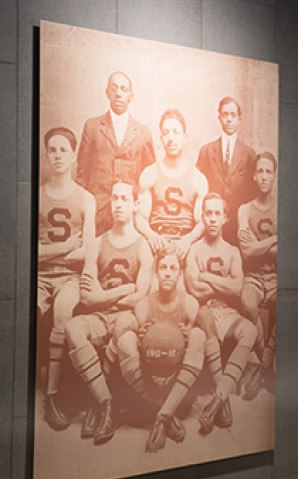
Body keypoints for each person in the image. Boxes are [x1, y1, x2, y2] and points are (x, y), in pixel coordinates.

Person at [64, 180, 153, 445]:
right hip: (100, 316)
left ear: (136, 204)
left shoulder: (143, 246)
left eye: (125, 199)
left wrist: (105, 295)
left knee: (125, 332)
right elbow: (88, 298)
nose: (119, 204)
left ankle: (110, 406)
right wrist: (119, 291)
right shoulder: (96, 243)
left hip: (126, 317)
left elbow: (140, 296)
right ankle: (105, 403)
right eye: (115, 198)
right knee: (73, 328)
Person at [37, 127, 97, 431]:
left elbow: (86, 252)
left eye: (64, 149)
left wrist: (47, 252)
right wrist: (62, 248)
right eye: (53, 150)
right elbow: (28, 256)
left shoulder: (86, 198)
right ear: (46, 155)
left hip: (69, 279)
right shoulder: (37, 195)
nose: (58, 155)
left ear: (73, 155)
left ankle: (52, 397)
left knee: (62, 312)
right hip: (38, 278)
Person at [116, 251, 205, 452]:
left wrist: (186, 334)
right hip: (148, 385)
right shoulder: (143, 305)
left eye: (173, 268)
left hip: (179, 387)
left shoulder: (190, 304)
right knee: (125, 340)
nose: (167, 273)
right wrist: (143, 336)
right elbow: (140, 350)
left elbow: (192, 347)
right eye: (163, 268)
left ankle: (164, 415)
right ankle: (163, 412)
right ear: (156, 273)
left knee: (199, 335)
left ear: (180, 274)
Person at [185, 193, 259, 435]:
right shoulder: (194, 249)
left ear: (226, 217)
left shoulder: (233, 251)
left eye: (218, 213)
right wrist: (222, 282)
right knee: (205, 321)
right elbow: (195, 289)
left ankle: (217, 400)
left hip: (226, 311)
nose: (213, 219)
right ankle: (223, 401)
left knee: (249, 330)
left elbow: (237, 288)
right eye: (208, 213)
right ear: (202, 216)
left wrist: (207, 277)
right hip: (203, 311)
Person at [77, 71, 155, 236]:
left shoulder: (143, 132)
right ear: (107, 93)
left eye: (123, 89)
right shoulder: (92, 127)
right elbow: (82, 175)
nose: (118, 94)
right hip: (98, 211)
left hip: (131, 214)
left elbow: (149, 178)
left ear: (131, 95)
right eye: (114, 88)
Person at [136, 109, 208, 260]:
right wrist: (151, 235)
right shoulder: (149, 174)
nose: (171, 138)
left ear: (185, 137)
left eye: (176, 132)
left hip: (185, 245)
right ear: (161, 138)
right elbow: (141, 216)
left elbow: (201, 221)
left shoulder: (198, 178)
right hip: (156, 242)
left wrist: (187, 240)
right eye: (166, 132)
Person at [238, 152, 278, 396]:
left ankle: (262, 368)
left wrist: (257, 246)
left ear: (274, 175)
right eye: (260, 172)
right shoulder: (244, 210)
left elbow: (285, 254)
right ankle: (266, 362)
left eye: (268, 172)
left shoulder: (283, 208)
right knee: (246, 302)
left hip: (276, 277)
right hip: (253, 277)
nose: (264, 176)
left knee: (285, 304)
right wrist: (275, 239)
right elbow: (246, 252)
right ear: (254, 176)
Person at [196, 97, 258, 246]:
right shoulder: (206, 151)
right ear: (219, 118)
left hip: (236, 224)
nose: (229, 119)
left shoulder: (249, 155)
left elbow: (252, 194)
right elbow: (197, 188)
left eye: (233, 115)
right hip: (210, 222)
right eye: (225, 115)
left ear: (239, 119)